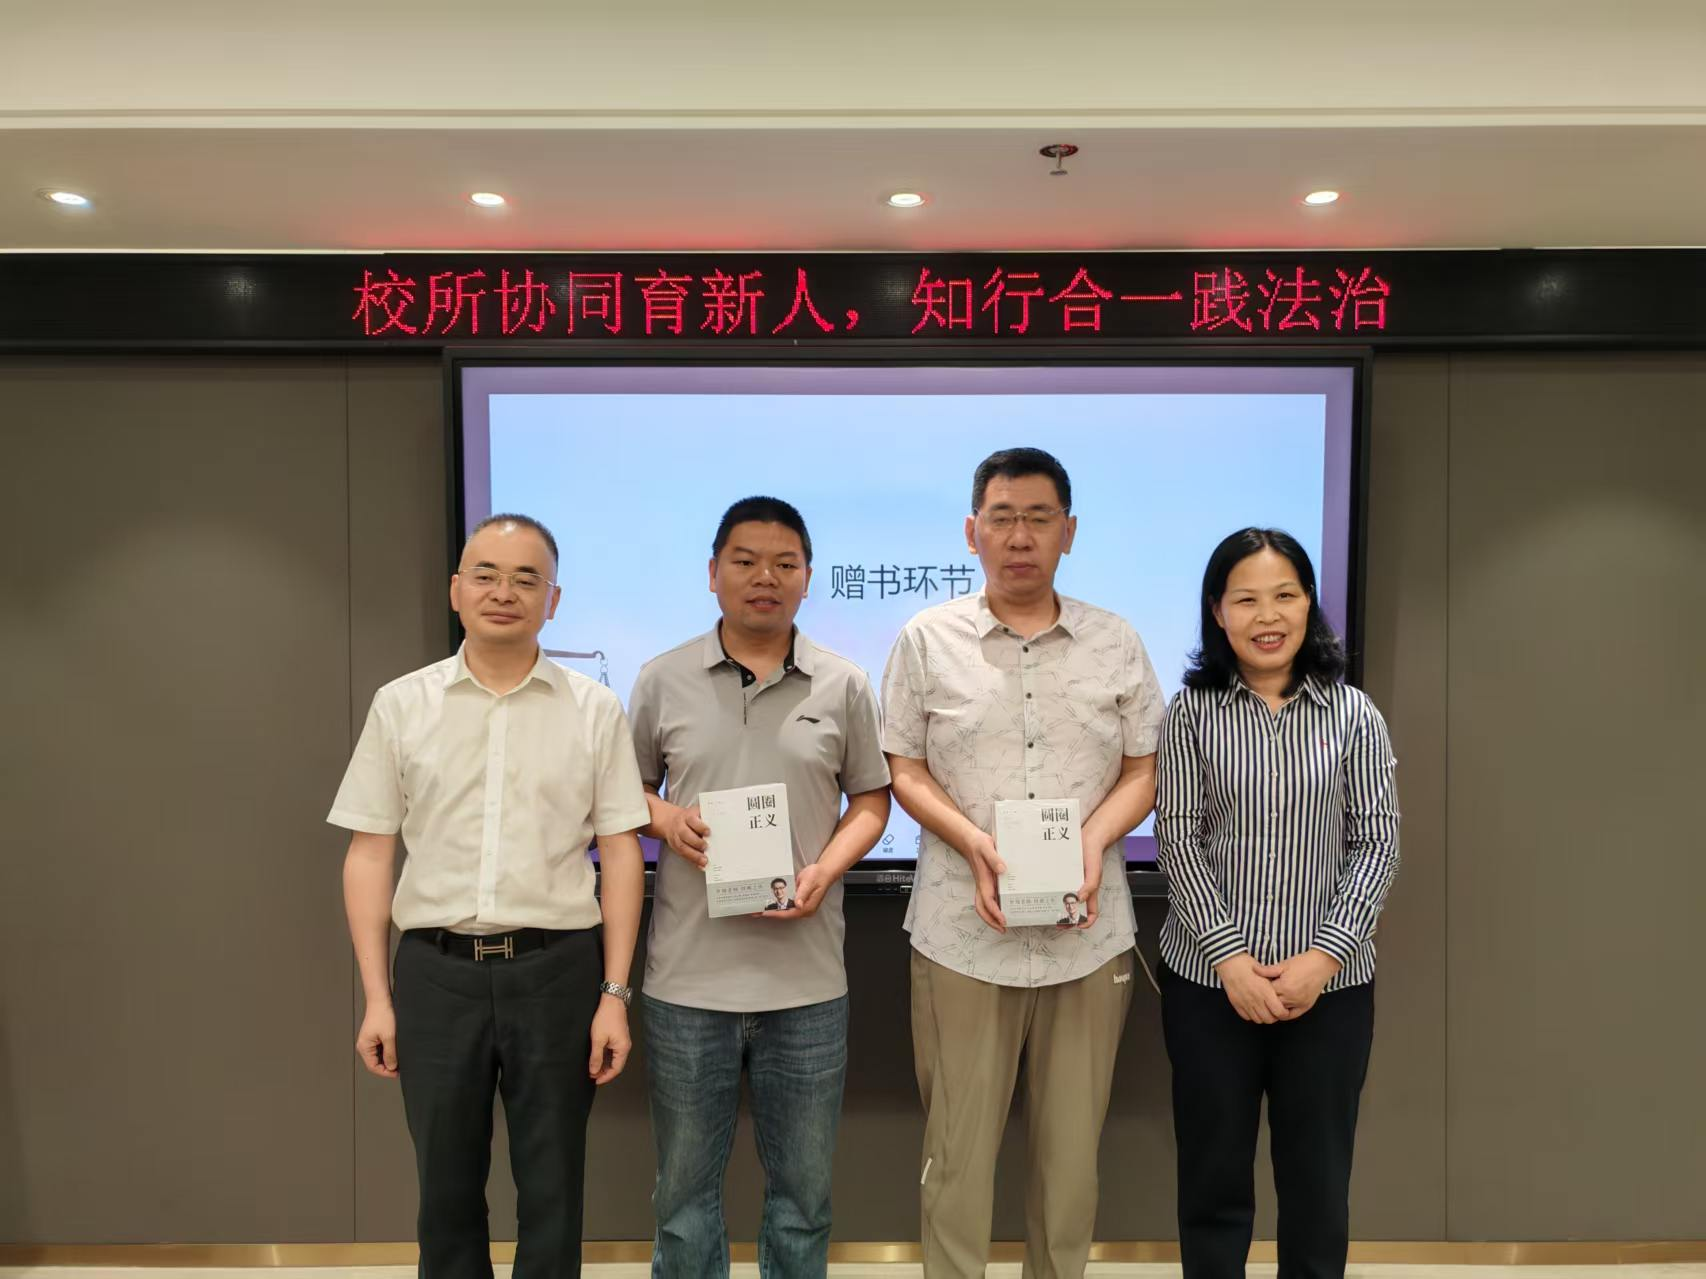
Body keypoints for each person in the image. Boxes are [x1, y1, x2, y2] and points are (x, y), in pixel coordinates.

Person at [330, 513, 649, 1279]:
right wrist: (377, 998)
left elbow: (621, 853)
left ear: (553, 599)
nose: (504, 592)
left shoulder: (594, 708)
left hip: (558, 971)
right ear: (456, 589)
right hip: (436, 974)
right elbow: (369, 852)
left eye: (526, 578)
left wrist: (614, 996)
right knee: (443, 1190)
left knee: (554, 1188)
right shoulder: (402, 704)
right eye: (486, 574)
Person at [881, 448, 1164, 1278]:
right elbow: (903, 767)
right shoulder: (927, 640)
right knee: (957, 1158)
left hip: (1087, 936)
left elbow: (1144, 769)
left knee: (1070, 1166)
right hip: (962, 935)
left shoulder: (1116, 641)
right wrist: (973, 842)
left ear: (1068, 531)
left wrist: (1092, 840)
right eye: (1002, 517)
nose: (1019, 536)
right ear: (972, 531)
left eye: (1039, 518)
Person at [629, 496, 891, 1279]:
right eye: (745, 561)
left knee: (803, 1200)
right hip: (688, 983)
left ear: (809, 577)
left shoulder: (843, 683)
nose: (764, 577)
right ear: (714, 572)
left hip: (806, 985)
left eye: (784, 563)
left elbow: (872, 800)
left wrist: (826, 869)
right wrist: (667, 819)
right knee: (683, 1199)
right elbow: (622, 794)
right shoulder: (661, 678)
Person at [1154, 527, 1400, 1279]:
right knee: (1212, 1179)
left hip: (1329, 990)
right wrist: (1230, 959)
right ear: (1217, 611)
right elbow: (1178, 838)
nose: (1268, 615)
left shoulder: (1354, 714)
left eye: (1285, 595)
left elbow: (1377, 841)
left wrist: (1323, 957)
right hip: (1209, 986)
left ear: (1309, 604)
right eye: (1247, 599)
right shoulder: (1190, 713)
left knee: (1318, 1181)